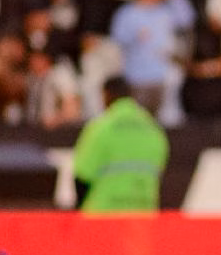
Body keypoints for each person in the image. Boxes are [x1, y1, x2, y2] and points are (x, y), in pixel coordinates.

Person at [72, 76, 169, 213]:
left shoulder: (100, 127)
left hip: (104, 213)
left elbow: (82, 175)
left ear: (106, 94)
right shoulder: (154, 130)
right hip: (143, 214)